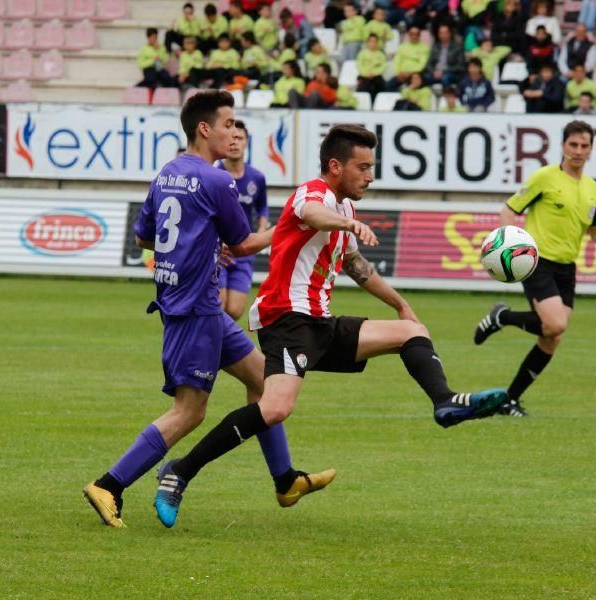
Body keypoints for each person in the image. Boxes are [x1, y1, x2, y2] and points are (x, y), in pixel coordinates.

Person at [151, 124, 508, 527]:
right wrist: (348, 225)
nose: (370, 176)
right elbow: (311, 214)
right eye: (363, 167)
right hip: (286, 319)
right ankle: (179, 471)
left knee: (412, 332)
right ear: (335, 166)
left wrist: (401, 305)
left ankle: (445, 403)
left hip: (319, 323)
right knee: (274, 408)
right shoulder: (313, 193)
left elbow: (358, 268)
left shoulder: (346, 208)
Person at [82, 91, 334, 528]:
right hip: (195, 310)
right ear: (205, 129)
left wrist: (195, 246)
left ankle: (285, 480)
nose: (234, 131)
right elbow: (243, 245)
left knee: (262, 380)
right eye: (228, 123)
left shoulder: (167, 173)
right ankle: (110, 484)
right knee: (190, 411)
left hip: (195, 306)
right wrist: (293, 222)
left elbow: (144, 236)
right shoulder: (218, 181)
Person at [472, 121, 596, 417]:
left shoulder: (592, 188)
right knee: (556, 324)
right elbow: (509, 209)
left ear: (591, 149)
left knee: (552, 337)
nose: (578, 151)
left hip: (567, 268)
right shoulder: (544, 178)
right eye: (573, 145)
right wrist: (511, 242)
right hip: (538, 261)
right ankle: (502, 317)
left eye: (584, 146)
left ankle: (509, 399)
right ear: (563, 146)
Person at [216, 120, 268, 321]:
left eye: (240, 138)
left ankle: (220, 345)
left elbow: (262, 207)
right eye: (232, 138)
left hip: (244, 250)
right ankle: (213, 349)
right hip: (219, 249)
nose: (236, 142)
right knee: (218, 306)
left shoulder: (257, 177)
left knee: (235, 311)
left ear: (246, 143)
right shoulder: (215, 173)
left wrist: (262, 229)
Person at [386, 25, 430, 90]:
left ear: (419, 35)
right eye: (412, 34)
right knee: (387, 86)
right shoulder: (402, 47)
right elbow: (397, 61)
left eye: (416, 34)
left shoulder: (424, 48)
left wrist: (409, 73)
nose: (414, 36)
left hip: (416, 74)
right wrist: (398, 73)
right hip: (401, 74)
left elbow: (422, 65)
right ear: (409, 35)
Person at [426, 23, 465, 89]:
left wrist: (444, 71)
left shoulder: (457, 48)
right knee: (425, 77)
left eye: (445, 33)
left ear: (450, 34)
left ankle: (446, 97)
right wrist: (433, 72)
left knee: (445, 78)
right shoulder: (435, 47)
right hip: (436, 72)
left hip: (450, 73)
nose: (443, 35)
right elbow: (429, 64)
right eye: (441, 33)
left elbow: (460, 66)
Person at [356, 34, 387, 100]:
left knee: (381, 86)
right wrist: (366, 74)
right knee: (363, 86)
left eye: (375, 41)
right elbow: (360, 65)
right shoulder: (362, 53)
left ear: (377, 43)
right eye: (371, 41)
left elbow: (383, 67)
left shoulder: (381, 54)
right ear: (367, 43)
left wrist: (374, 73)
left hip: (377, 77)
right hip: (365, 76)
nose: (373, 43)